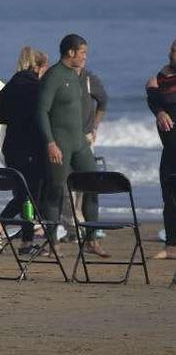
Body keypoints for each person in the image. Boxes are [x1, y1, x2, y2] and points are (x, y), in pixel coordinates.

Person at [37, 34, 108, 257]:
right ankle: (52, 242)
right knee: (56, 191)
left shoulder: (76, 76)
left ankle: (92, 240)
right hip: (59, 144)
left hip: (79, 142)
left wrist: (92, 128)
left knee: (93, 184)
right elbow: (41, 112)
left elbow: (93, 104)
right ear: (71, 52)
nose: (85, 56)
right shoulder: (54, 76)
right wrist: (50, 143)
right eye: (83, 52)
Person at [0, 47, 49, 252]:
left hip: (11, 147)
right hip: (31, 148)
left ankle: (26, 242)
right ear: (39, 66)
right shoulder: (36, 87)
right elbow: (43, 115)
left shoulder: (12, 84)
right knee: (29, 195)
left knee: (25, 196)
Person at [146, 39, 176, 260]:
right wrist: (159, 111)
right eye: (174, 51)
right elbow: (154, 99)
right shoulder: (160, 78)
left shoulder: (158, 82)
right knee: (169, 197)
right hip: (170, 148)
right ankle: (172, 247)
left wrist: (158, 103)